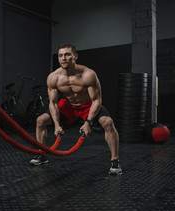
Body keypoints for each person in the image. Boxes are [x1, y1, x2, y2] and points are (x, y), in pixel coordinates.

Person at [29, 44, 122, 175]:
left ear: (75, 56)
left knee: (108, 123)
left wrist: (88, 123)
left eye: (67, 55)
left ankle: (115, 160)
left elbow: (96, 100)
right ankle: (42, 154)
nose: (63, 58)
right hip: (68, 106)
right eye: (61, 55)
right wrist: (56, 124)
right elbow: (53, 102)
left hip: (88, 105)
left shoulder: (88, 74)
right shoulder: (53, 77)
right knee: (41, 120)